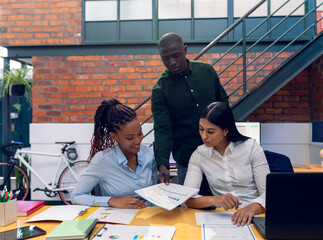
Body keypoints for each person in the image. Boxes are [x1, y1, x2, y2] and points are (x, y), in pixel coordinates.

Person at [151, 32, 229, 186]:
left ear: (185, 50)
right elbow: (162, 129)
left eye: (176, 55)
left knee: (225, 201)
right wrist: (163, 163)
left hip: (219, 154)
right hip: (188, 161)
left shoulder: (207, 72)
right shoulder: (160, 89)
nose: (172, 62)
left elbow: (224, 105)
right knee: (189, 205)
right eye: (165, 59)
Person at [184, 102, 270, 226]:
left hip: (256, 215)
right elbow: (188, 198)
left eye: (211, 132)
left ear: (225, 130)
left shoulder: (251, 147)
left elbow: (269, 193)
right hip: (224, 219)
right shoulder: (199, 155)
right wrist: (216, 200)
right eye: (201, 129)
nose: (204, 136)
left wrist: (251, 208)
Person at [71, 98, 156, 208]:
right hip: (121, 220)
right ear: (114, 137)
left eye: (139, 133)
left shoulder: (149, 154)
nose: (138, 141)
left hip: (150, 219)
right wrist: (111, 201)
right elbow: (76, 196)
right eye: (130, 138)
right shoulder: (103, 160)